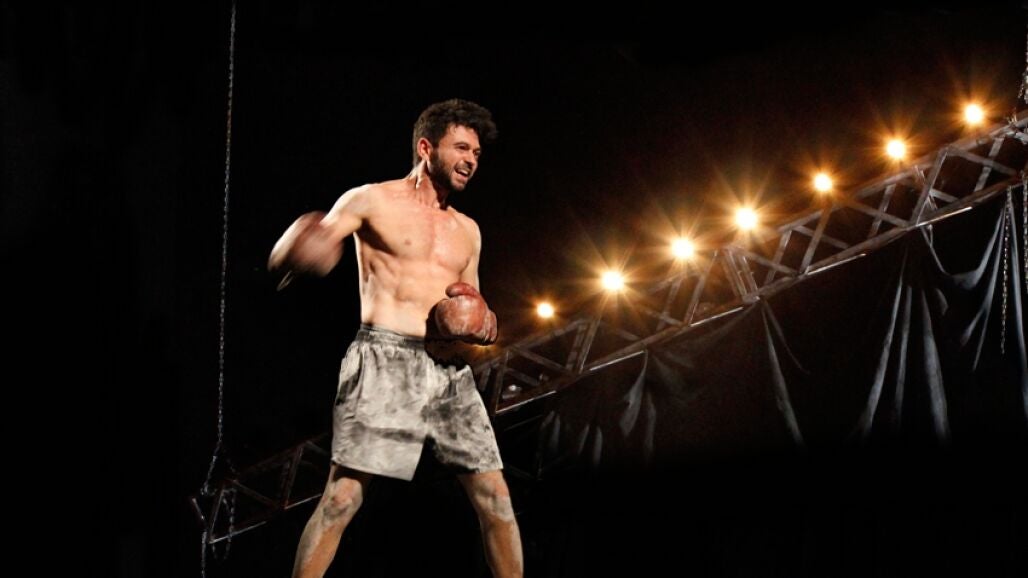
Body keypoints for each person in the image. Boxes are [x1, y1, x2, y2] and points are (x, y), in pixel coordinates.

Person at [268, 99, 523, 578]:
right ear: (426, 148)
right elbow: (296, 255)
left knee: (496, 499)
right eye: (461, 148)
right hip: (383, 357)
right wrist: (295, 250)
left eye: (476, 153)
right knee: (342, 499)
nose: (471, 159)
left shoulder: (468, 230)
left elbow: (475, 305)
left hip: (447, 369)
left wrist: (484, 325)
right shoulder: (370, 200)